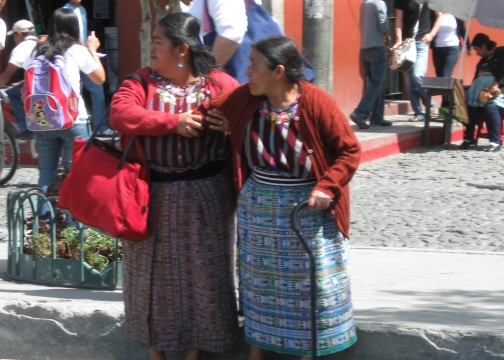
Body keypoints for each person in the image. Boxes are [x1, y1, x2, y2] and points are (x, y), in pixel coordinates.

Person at [198, 36, 361, 360]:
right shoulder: (245, 98)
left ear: (279, 72)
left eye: (254, 66)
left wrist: (326, 187)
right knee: (261, 286)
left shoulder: (316, 102)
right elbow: (206, 110)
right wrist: (224, 124)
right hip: (258, 211)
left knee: (312, 286)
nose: (247, 72)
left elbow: (349, 150)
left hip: (307, 209)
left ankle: (307, 353)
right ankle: (256, 353)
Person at [109, 13, 240, 360]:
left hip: (207, 194)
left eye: (158, 41)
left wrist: (231, 122)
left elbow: (249, 114)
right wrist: (173, 122)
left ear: (182, 49)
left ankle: (194, 352)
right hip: (153, 197)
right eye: (151, 40)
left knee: (204, 275)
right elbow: (121, 114)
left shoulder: (218, 84)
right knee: (155, 279)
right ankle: (158, 351)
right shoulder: (140, 83)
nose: (151, 46)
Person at [24, 8, 105, 192]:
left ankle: (45, 220)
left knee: (46, 174)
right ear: (74, 28)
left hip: (42, 119)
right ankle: (72, 221)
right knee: (75, 174)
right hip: (73, 118)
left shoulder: (37, 50)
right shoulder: (77, 50)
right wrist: (92, 50)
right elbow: (100, 78)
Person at [64, 0, 109, 135]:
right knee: (93, 88)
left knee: (95, 89)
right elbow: (72, 35)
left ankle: (99, 126)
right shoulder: (66, 10)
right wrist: (88, 49)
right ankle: (99, 127)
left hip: (83, 53)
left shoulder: (82, 9)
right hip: (75, 54)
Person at [394, 0, 441, 122]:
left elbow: (439, 18)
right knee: (409, 83)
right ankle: (419, 113)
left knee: (417, 75)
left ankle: (430, 104)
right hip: (406, 43)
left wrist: (431, 34)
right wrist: (399, 39)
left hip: (422, 43)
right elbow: (399, 19)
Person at [350, 0, 392, 129]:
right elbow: (383, 24)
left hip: (364, 49)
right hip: (376, 47)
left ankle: (377, 117)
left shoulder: (364, 4)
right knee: (377, 83)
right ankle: (360, 113)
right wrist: (388, 37)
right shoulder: (379, 3)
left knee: (376, 83)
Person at [459, 33, 504, 152]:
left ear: (484, 46)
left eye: (477, 49)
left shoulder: (501, 53)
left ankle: (494, 142)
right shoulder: (481, 62)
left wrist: (494, 85)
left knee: (491, 108)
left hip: (499, 92)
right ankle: (468, 138)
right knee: (469, 108)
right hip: (480, 95)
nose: (476, 53)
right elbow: (475, 79)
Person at [0, 20, 38, 140]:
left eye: (14, 36)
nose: (14, 39)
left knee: (11, 94)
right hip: (48, 87)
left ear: (19, 34)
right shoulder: (40, 43)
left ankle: (24, 127)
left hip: (36, 89)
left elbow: (6, 76)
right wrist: (21, 82)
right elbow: (36, 71)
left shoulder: (22, 48)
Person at [432, 13, 471, 108]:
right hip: (437, 49)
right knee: (440, 77)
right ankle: (449, 101)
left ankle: (446, 105)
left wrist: (469, 45)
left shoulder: (455, 14)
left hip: (452, 48)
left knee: (445, 75)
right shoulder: (435, 13)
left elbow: (463, 30)